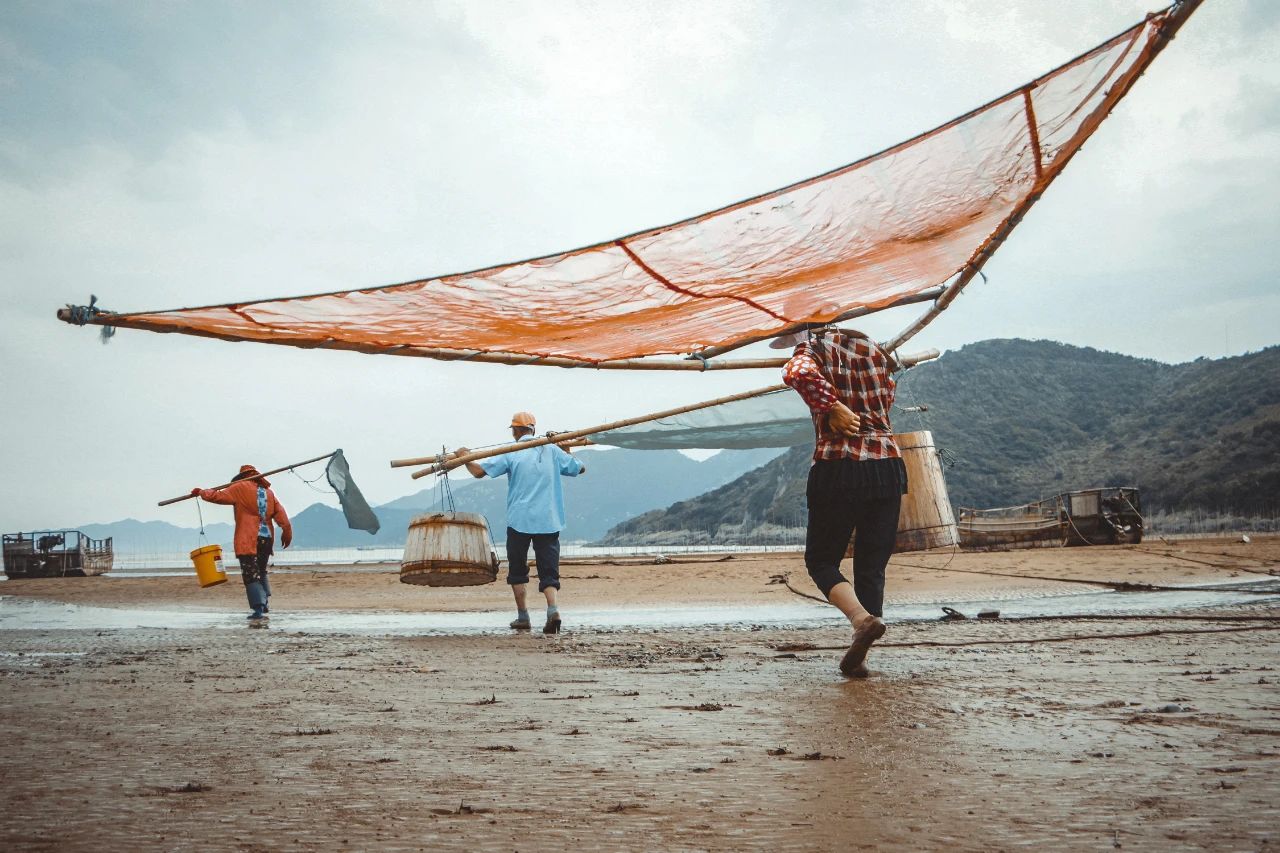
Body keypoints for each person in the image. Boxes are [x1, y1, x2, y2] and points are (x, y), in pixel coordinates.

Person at [780, 327, 907, 678]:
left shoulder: (814, 347)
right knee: (871, 566)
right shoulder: (874, 350)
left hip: (840, 464)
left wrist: (831, 405)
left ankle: (861, 619)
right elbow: (888, 395)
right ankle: (861, 652)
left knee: (821, 560)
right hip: (887, 465)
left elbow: (797, 372)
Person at [456, 411, 585, 634]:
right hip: (548, 519)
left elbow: (478, 472)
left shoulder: (511, 452)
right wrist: (566, 448)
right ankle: (552, 610)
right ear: (533, 429)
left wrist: (464, 457)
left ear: (515, 431)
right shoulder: (552, 450)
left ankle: (523, 617)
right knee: (549, 571)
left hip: (519, 521)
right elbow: (578, 468)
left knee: (517, 569)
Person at [192, 465, 292, 623]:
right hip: (266, 539)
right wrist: (287, 532)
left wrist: (201, 492)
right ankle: (265, 602)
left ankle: (258, 608)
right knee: (261, 570)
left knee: (250, 573)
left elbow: (217, 496)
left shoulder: (239, 487)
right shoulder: (269, 493)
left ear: (243, 476)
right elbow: (282, 517)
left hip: (248, 537)